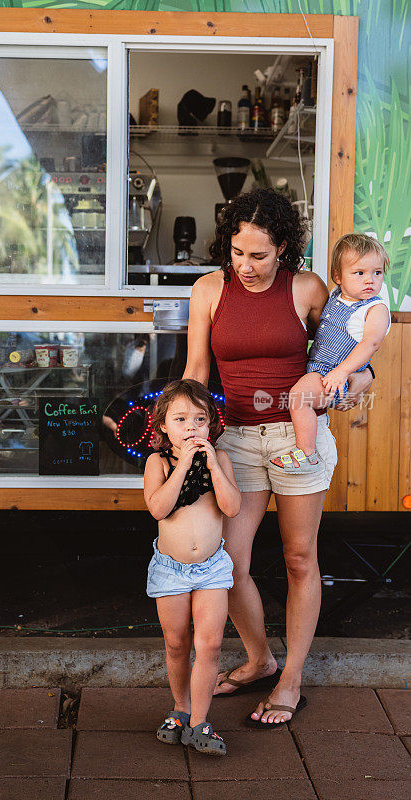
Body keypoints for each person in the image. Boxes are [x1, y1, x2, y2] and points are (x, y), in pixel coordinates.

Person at [183, 188, 373, 728]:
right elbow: (198, 369)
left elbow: (349, 346)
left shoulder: (308, 287)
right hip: (236, 440)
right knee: (229, 564)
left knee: (298, 559)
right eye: (237, 253)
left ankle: (290, 679)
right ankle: (260, 658)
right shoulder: (208, 290)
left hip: (297, 438)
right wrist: (181, 435)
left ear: (283, 247)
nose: (246, 266)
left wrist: (354, 380)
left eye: (259, 255)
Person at [144, 379, 241, 755]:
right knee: (176, 642)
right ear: (163, 427)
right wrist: (184, 463)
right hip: (170, 569)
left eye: (200, 419)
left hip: (212, 568)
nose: (191, 427)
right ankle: (180, 708)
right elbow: (158, 508)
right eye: (181, 419)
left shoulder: (223, 460)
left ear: (211, 425)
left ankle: (201, 721)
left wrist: (213, 463)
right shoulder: (159, 462)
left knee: (211, 643)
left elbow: (231, 508)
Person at [271, 233, 390, 472]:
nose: (370, 280)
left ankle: (306, 453)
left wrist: (341, 372)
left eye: (377, 273)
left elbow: (370, 344)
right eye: (360, 273)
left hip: (334, 376)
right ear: (338, 277)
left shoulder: (375, 309)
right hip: (320, 370)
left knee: (297, 398)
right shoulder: (337, 296)